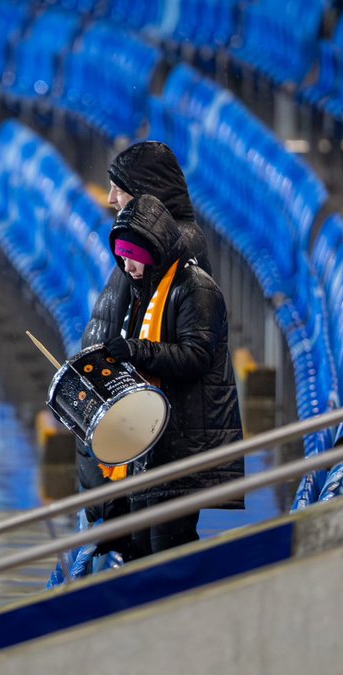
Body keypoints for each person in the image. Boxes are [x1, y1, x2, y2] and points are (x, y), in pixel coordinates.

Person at [94, 193, 244, 560]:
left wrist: (137, 351)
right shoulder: (143, 290)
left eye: (132, 256)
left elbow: (196, 357)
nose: (127, 266)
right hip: (149, 447)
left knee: (168, 555)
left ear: (154, 250)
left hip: (181, 449)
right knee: (141, 553)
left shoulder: (196, 289)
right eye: (121, 257)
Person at [78, 140, 213, 530]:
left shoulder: (174, 249)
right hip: (137, 433)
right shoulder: (144, 244)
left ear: (147, 193)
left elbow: (189, 350)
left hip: (159, 439)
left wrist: (130, 353)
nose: (109, 199)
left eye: (119, 188)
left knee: (158, 548)